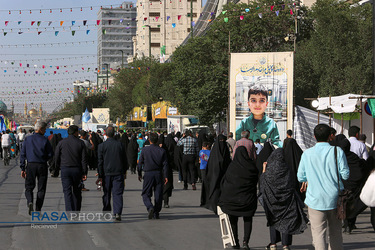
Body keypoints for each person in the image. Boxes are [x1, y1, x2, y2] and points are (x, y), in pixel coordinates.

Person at [297, 124, 349, 250]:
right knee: (336, 233)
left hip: (315, 199)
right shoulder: (337, 151)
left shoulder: (307, 154)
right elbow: (345, 175)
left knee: (318, 234)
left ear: (314, 136)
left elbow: (300, 177)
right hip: (335, 198)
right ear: (330, 137)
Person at [260, 148, 308, 250]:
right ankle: (285, 244)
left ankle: (273, 243)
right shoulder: (286, 168)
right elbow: (291, 183)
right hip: (287, 200)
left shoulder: (269, 170)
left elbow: (263, 183)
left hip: (272, 200)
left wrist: (264, 169)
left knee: (273, 219)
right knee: (287, 221)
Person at [218, 146, 259, 249]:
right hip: (248, 200)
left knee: (233, 219)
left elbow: (225, 183)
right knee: (248, 219)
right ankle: (246, 242)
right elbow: (255, 181)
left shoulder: (232, 167)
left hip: (232, 201)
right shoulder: (251, 167)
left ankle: (235, 242)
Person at [20, 121, 53, 215]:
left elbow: (23, 154)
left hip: (30, 165)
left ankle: (30, 201)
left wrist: (22, 168)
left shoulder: (27, 139)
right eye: (45, 129)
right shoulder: (45, 140)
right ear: (41, 129)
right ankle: (38, 209)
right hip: (42, 165)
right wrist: (44, 158)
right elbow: (50, 154)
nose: (45, 131)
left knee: (29, 187)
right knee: (41, 188)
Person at [97, 126, 128, 222]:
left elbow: (100, 162)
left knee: (106, 193)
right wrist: (124, 171)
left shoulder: (101, 146)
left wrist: (100, 175)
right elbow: (124, 160)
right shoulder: (120, 145)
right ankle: (117, 212)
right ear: (114, 134)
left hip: (106, 174)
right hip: (118, 173)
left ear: (105, 133)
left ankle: (106, 211)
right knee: (117, 193)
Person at [55, 125, 88, 212]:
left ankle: (69, 211)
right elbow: (84, 159)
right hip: (77, 170)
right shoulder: (80, 143)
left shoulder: (61, 143)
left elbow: (56, 157)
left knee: (67, 191)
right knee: (77, 191)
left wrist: (58, 168)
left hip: (65, 169)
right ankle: (76, 211)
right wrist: (84, 172)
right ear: (76, 132)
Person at [137, 133, 168, 219]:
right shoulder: (162, 151)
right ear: (157, 140)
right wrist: (166, 176)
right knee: (158, 194)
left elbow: (140, 163)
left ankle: (150, 207)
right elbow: (165, 165)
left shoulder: (144, 150)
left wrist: (139, 173)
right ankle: (156, 212)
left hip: (148, 174)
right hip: (158, 174)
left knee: (145, 193)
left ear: (149, 140)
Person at [200, 134, 231, 214]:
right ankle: (215, 207)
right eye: (220, 141)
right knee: (215, 190)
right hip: (215, 175)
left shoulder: (220, 152)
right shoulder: (215, 153)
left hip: (222, 175)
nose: (222, 143)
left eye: (223, 141)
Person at [158, 135, 174, 208]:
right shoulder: (164, 151)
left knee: (165, 186)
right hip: (163, 171)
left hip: (164, 171)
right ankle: (164, 202)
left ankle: (165, 202)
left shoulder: (162, 151)